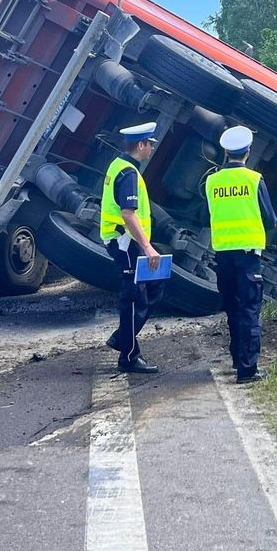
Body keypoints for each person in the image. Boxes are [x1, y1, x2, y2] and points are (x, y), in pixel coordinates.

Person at [205, 125, 277, 384]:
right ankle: (247, 369)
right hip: (248, 256)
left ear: (226, 152)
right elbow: (270, 219)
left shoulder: (212, 181)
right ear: (247, 152)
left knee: (233, 309)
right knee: (249, 310)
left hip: (222, 255)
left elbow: (206, 216)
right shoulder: (254, 180)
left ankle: (237, 358)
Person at [100, 122, 162, 374]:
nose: (152, 149)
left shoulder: (120, 166)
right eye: (150, 144)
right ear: (141, 145)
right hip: (126, 243)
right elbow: (127, 213)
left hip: (129, 241)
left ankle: (121, 338)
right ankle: (128, 357)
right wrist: (148, 247)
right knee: (134, 299)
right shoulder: (128, 173)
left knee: (155, 285)